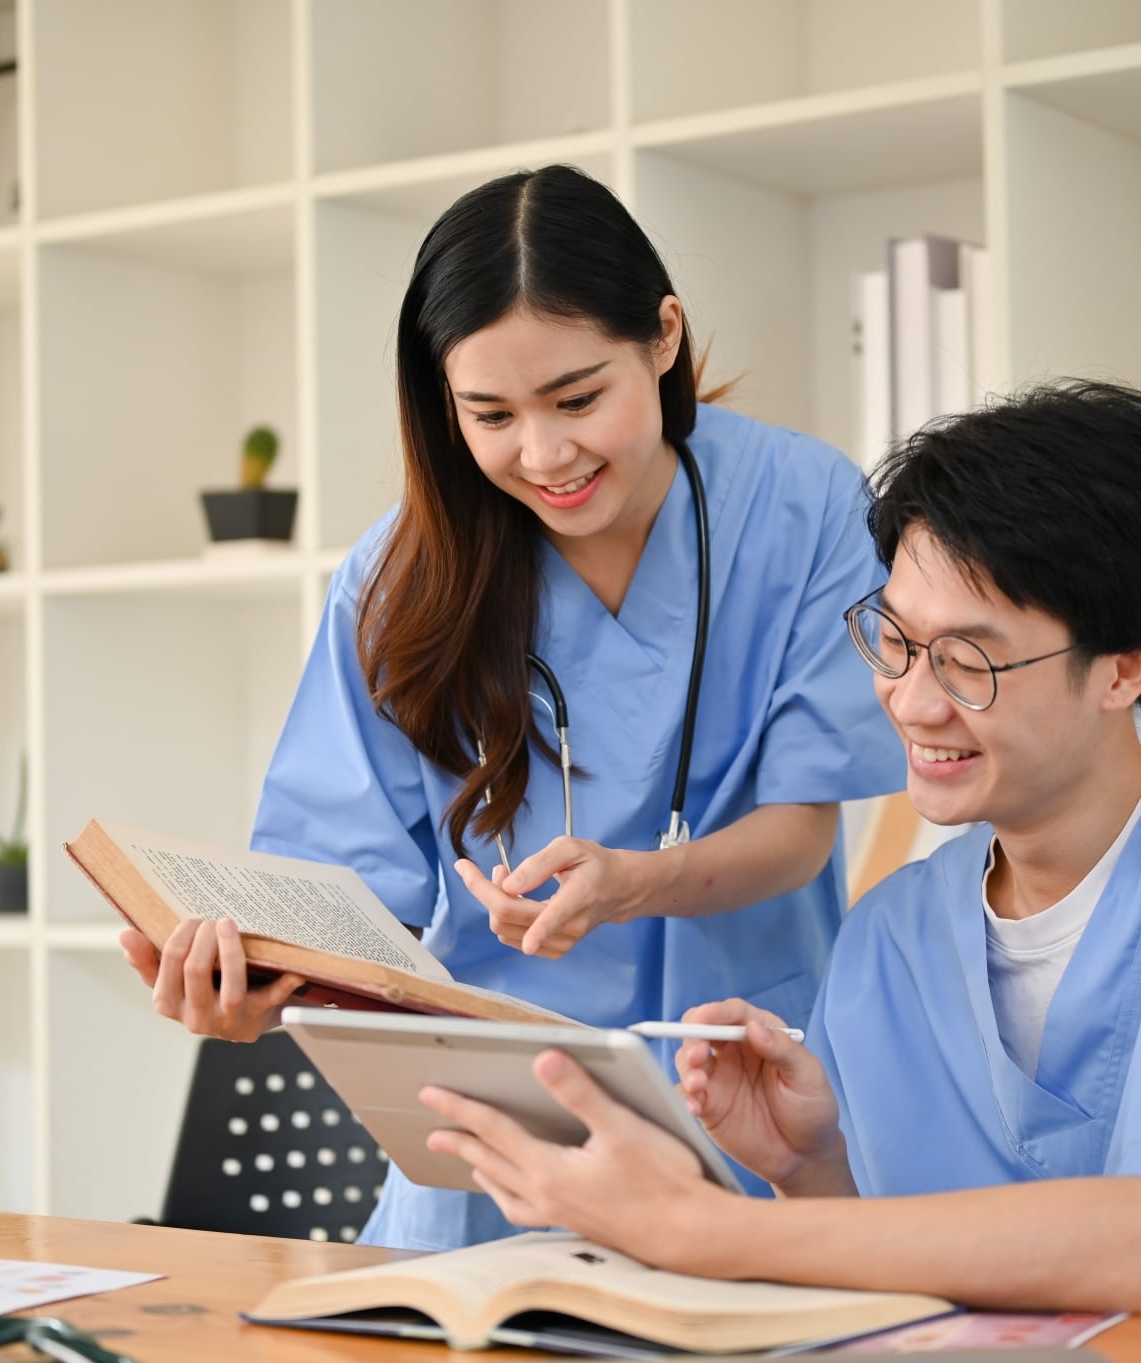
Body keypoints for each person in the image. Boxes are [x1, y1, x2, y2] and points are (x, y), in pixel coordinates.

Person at [419, 380, 1141, 1330]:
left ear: (1124, 665)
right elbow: (903, 1280)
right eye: (895, 640)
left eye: (969, 661)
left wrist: (701, 1228)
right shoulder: (891, 929)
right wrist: (808, 1169)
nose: (911, 702)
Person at [117, 164, 904, 1251]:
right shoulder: (398, 576)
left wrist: (639, 881)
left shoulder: (806, 507)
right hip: (489, 1143)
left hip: (738, 1108)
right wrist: (258, 987)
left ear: (662, 336)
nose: (544, 455)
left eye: (578, 399)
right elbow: (353, 900)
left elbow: (801, 831)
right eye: (490, 414)